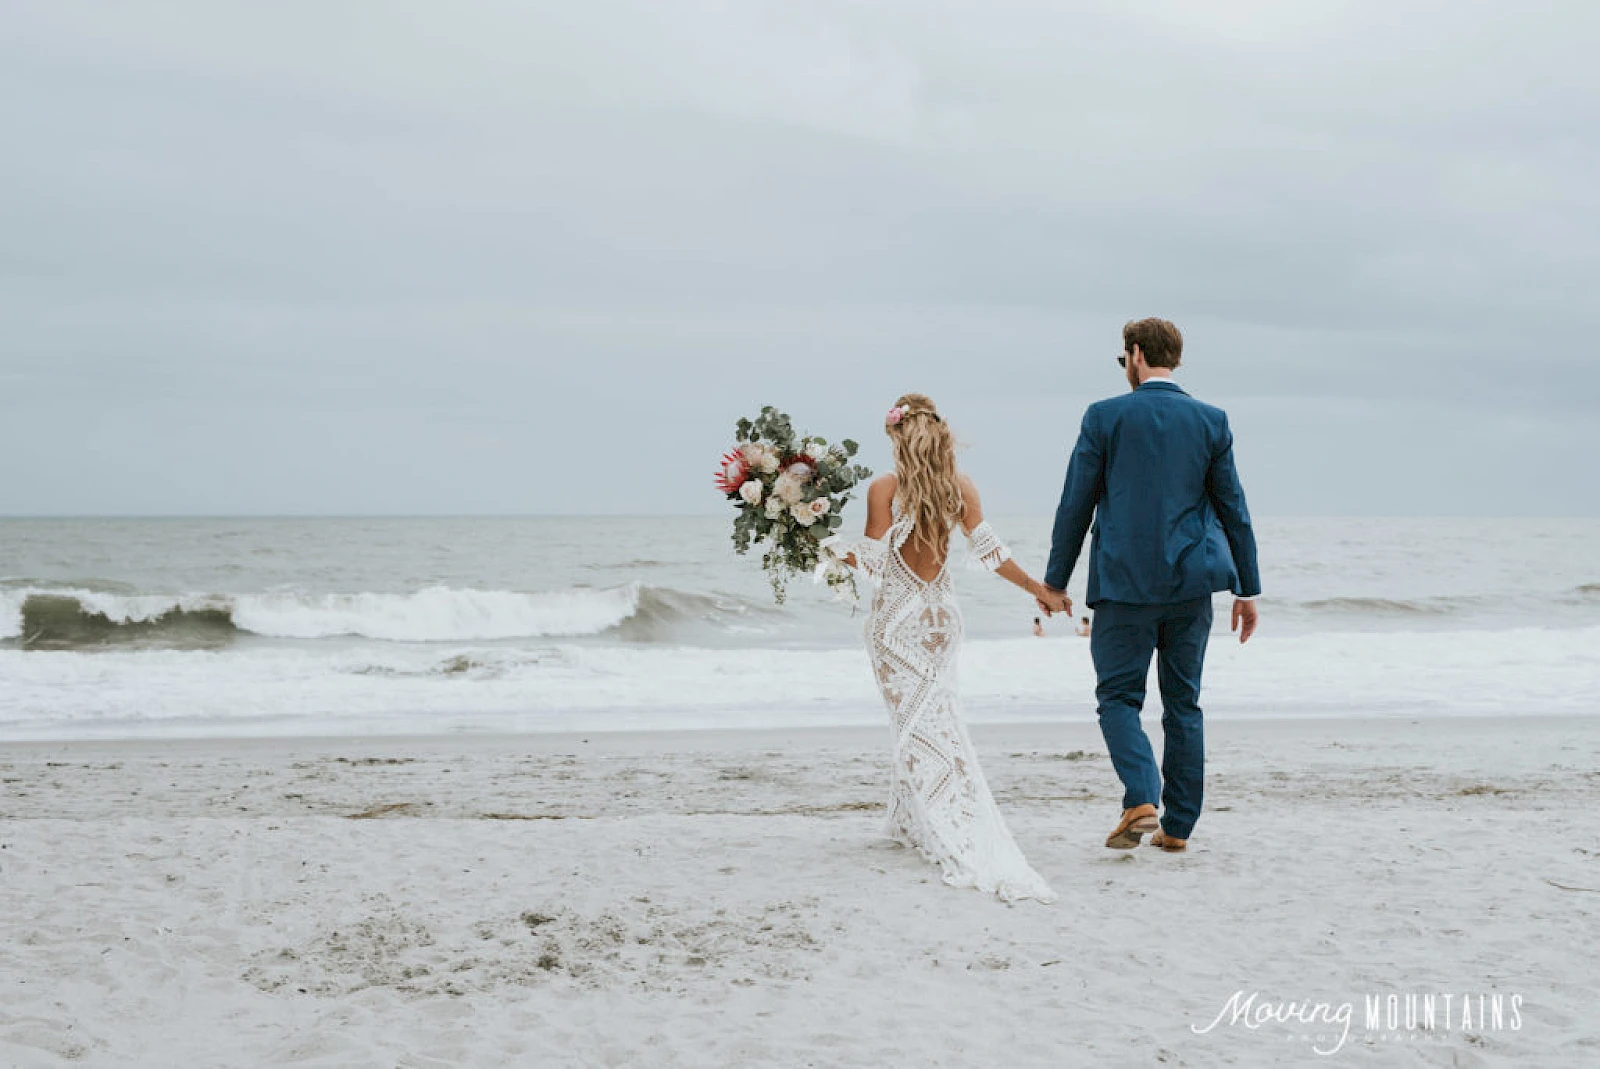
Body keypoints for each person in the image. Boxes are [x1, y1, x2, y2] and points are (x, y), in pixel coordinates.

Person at [1037, 319, 1261, 855]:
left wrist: (1054, 581)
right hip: (1192, 584)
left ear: (1136, 355)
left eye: (1123, 360)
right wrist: (1247, 590)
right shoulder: (1211, 420)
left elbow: (1075, 504)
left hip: (1122, 583)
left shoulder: (1105, 416)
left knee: (1118, 697)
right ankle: (1178, 827)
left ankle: (1141, 797)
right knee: (1183, 704)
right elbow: (1235, 511)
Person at [823, 393, 1057, 903]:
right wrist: (1038, 589)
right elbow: (993, 555)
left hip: (897, 625)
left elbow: (872, 564)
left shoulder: (884, 488)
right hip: (942, 620)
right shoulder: (961, 487)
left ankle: (941, 825)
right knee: (939, 721)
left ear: (897, 439)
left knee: (911, 726)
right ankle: (913, 822)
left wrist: (819, 543)